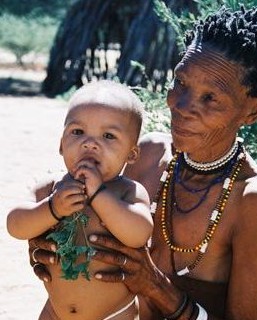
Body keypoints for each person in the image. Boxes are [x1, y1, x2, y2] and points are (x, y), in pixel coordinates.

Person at [27, 5, 257, 320]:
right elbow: (80, 220)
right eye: (181, 83)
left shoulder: (254, 199)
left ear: (252, 111)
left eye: (210, 98)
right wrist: (46, 242)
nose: (181, 106)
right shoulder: (149, 154)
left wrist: (156, 287)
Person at [7, 80, 153, 320]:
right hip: (56, 312)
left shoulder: (128, 192)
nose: (90, 143)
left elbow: (139, 233)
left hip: (114, 314)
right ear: (61, 145)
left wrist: (99, 196)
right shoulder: (51, 188)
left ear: (132, 153)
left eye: (108, 136)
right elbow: (15, 225)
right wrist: (52, 208)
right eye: (77, 132)